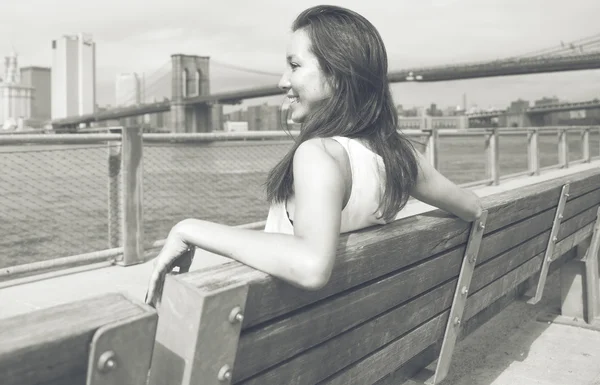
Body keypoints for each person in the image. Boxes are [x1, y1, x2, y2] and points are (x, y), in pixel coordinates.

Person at [144, 5, 482, 308]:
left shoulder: (318, 155)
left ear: (335, 75)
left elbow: (312, 267)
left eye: (294, 65)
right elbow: (472, 208)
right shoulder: (400, 154)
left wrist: (189, 229)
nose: (282, 81)